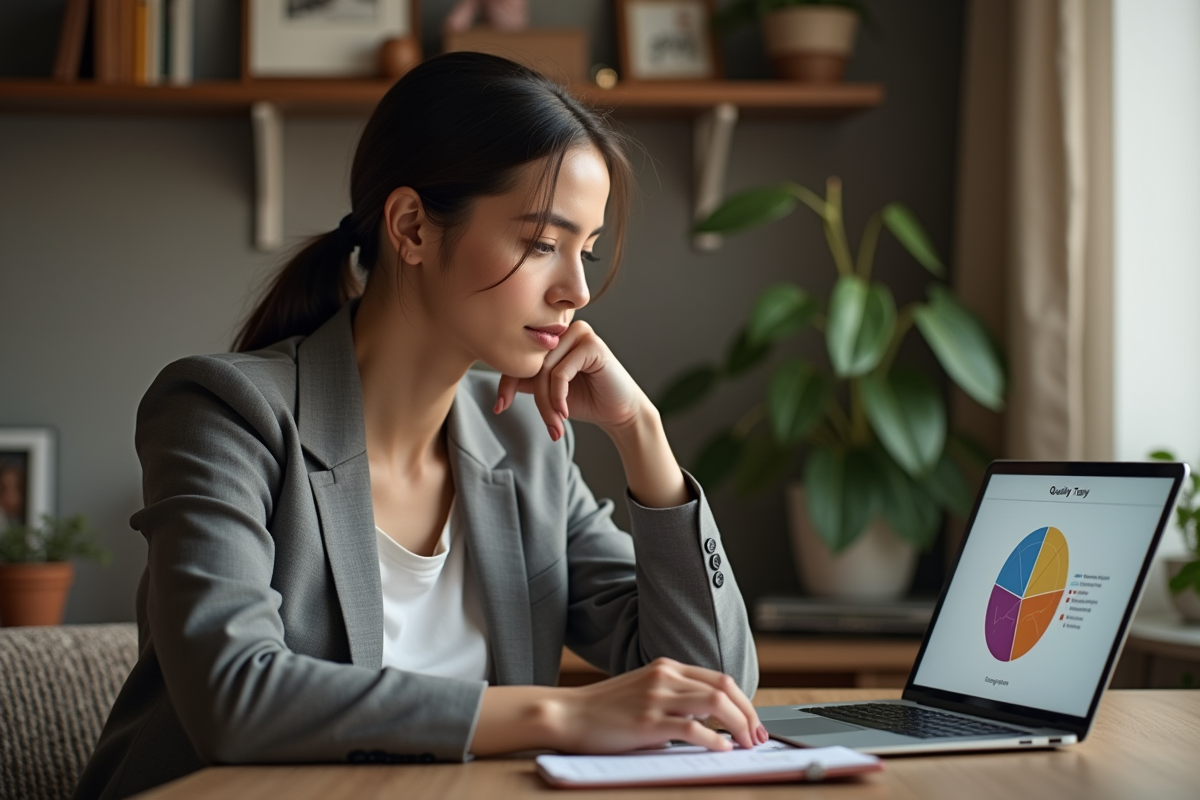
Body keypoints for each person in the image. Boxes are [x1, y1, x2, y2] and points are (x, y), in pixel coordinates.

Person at [74, 52, 760, 800]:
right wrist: (559, 714)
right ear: (411, 227)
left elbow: (713, 687)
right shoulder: (224, 412)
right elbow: (234, 695)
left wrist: (643, 437)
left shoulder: (524, 443)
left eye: (586, 251)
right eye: (541, 244)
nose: (577, 291)